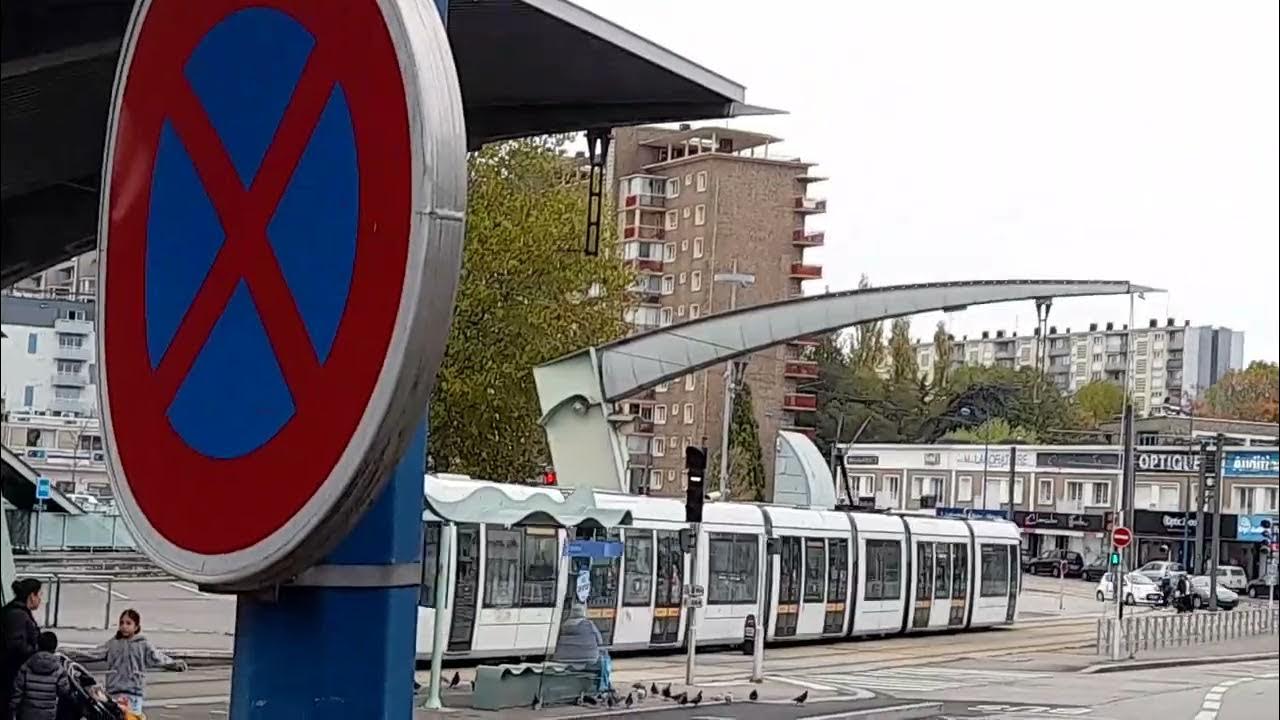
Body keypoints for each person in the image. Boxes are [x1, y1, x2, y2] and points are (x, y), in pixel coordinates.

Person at [67, 609, 186, 715]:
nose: (124, 626)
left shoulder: (143, 644)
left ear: (136, 626)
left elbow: (158, 658)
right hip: (114, 692)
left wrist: (175, 664)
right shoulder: (113, 643)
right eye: (122, 623)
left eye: (128, 623)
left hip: (133, 693)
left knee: (131, 717)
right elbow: (93, 653)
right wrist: (70, 653)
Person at [2, 579, 43, 718]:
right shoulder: (18, 615)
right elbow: (16, 647)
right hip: (10, 675)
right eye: (39, 595)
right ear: (32, 596)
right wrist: (37, 648)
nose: (40, 599)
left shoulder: (17, 612)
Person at [9, 631, 71, 720]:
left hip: (27, 714)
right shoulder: (59, 668)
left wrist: (13, 707)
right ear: (54, 648)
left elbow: (18, 690)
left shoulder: (27, 665)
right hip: (48, 715)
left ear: (38, 646)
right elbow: (64, 691)